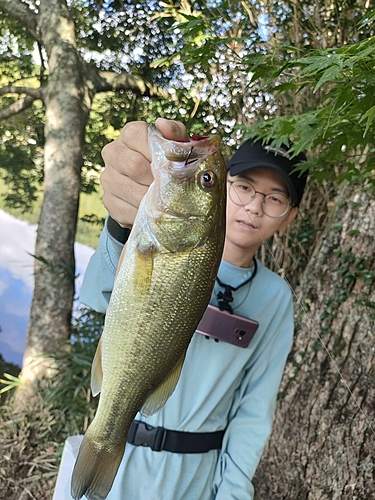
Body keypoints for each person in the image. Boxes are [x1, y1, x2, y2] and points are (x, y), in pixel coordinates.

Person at [70, 118, 308, 499]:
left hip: (194, 479)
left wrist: (232, 493)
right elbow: (100, 295)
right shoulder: (150, 233)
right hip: (118, 445)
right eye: (243, 187)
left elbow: (253, 411)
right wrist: (121, 224)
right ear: (226, 188)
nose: (254, 207)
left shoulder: (277, 297)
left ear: (290, 215)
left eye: (275, 198)